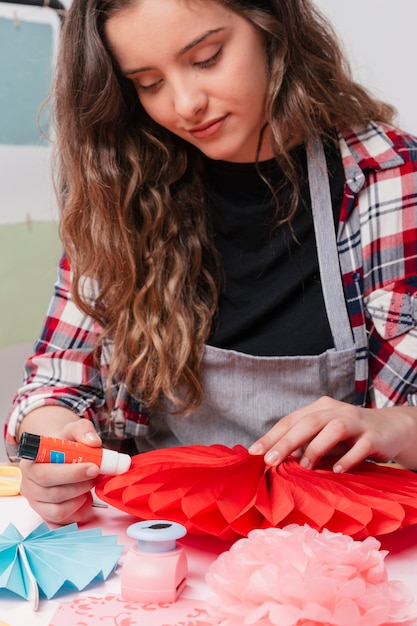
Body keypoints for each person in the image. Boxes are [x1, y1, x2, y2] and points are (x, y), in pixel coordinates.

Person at [5, 0, 417, 525]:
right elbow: (54, 382)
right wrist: (52, 435)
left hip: (341, 550)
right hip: (164, 541)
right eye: (149, 83)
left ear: (271, 25)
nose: (185, 104)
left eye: (206, 58)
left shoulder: (391, 177)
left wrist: (402, 429)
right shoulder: (122, 193)